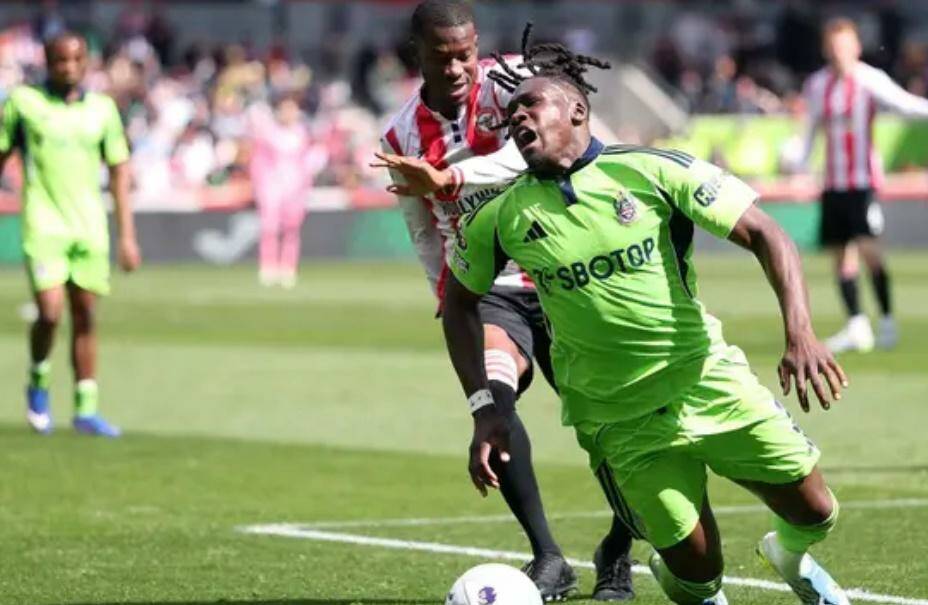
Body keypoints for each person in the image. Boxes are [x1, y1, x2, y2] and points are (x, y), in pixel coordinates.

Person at [442, 28, 851, 605]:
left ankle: (788, 553)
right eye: (512, 115)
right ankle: (684, 576)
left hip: (706, 380)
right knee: (700, 575)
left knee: (816, 511)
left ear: (577, 109)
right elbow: (457, 304)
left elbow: (765, 232)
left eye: (531, 104)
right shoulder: (501, 216)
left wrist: (800, 331)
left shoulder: (652, 171)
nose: (518, 118)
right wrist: (485, 407)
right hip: (618, 422)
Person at [370, 3, 634, 600]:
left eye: (464, 54)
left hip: (565, 273)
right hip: (489, 292)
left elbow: (526, 153)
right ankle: (548, 556)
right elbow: (421, 227)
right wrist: (447, 296)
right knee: (494, 403)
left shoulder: (513, 81)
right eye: (442, 57)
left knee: (614, 428)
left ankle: (617, 552)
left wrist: (451, 179)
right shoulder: (400, 136)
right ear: (417, 54)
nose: (457, 68)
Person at [0, 32, 140, 437]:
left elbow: (119, 173)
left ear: (86, 62)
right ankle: (38, 382)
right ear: (47, 62)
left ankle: (85, 408)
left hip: (89, 227)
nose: (70, 68)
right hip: (44, 223)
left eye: (77, 60)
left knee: (85, 315)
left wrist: (127, 236)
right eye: (61, 60)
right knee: (49, 312)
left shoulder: (102, 110)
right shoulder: (24, 104)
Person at [796, 18, 928, 354]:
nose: (839, 52)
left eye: (845, 45)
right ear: (826, 49)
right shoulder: (817, 85)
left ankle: (886, 320)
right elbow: (810, 129)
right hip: (833, 182)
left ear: (857, 47)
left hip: (862, 182)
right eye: (834, 46)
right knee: (840, 254)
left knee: (870, 251)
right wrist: (800, 166)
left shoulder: (869, 79)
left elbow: (904, 103)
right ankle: (856, 325)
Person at [249, 94, 325, 288]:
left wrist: (305, 181)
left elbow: (310, 160)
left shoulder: (302, 134)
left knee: (292, 228)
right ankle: (268, 267)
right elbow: (259, 163)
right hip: (272, 186)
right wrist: (262, 185)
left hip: (296, 187)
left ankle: (288, 268)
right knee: (270, 228)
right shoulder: (269, 134)